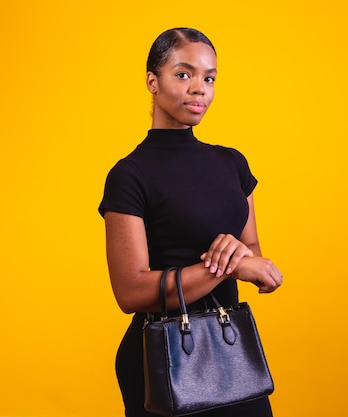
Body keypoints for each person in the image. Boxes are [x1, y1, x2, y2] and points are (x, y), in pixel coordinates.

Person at [97, 28, 283, 417]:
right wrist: (228, 266)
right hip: (165, 359)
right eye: (183, 74)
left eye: (209, 77)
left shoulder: (232, 164)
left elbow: (258, 262)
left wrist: (245, 258)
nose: (199, 88)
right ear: (152, 81)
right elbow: (129, 292)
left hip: (230, 349)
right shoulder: (129, 175)